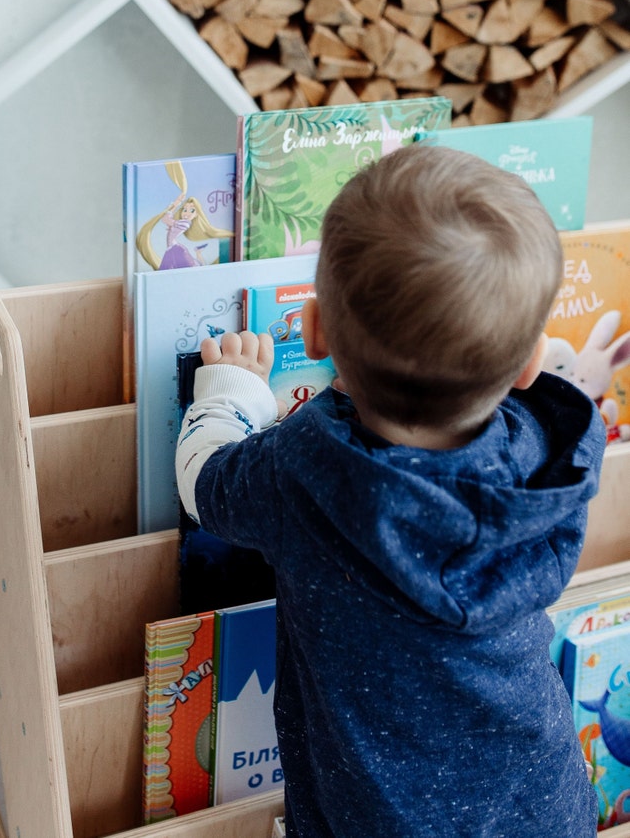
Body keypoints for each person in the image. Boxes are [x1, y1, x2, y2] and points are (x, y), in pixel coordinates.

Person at [175, 143, 606, 837]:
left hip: (374, 818)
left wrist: (232, 390)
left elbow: (206, 482)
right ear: (529, 364)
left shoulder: (304, 470)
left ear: (313, 329)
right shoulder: (544, 463)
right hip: (541, 805)